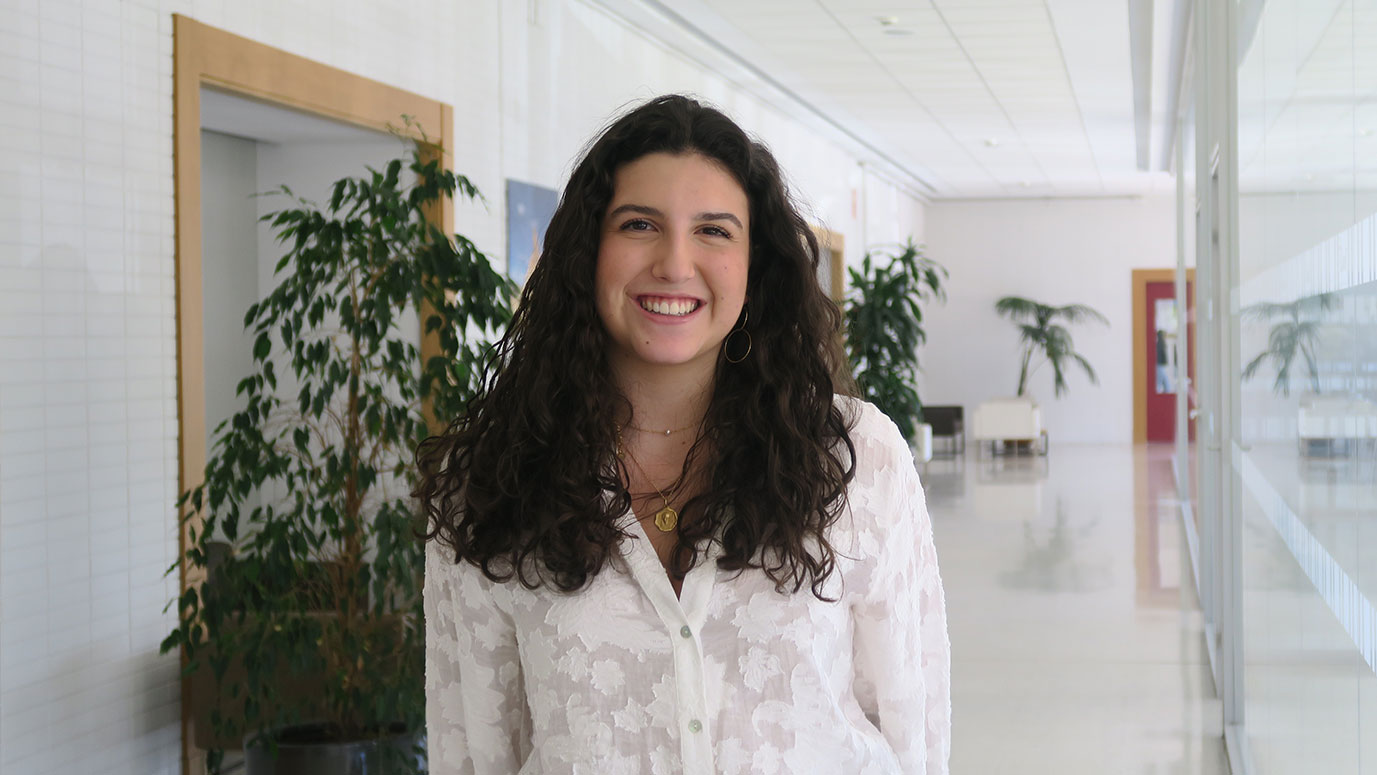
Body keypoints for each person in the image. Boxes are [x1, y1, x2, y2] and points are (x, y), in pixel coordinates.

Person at [415, 94, 950, 775]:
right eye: (639, 224)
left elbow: (912, 721)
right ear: (586, 253)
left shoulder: (854, 458)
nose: (674, 262)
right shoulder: (487, 478)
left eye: (714, 230)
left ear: (755, 268)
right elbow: (472, 747)